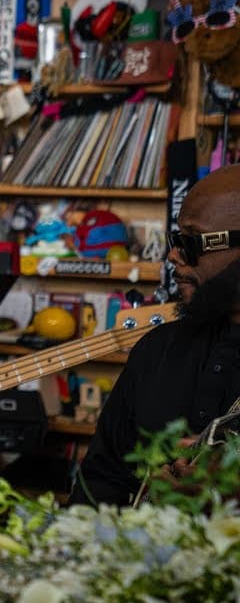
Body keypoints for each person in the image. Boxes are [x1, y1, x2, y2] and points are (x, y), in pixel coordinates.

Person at [74, 165, 240, 506]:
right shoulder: (157, 349)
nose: (174, 255)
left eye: (190, 243)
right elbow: (98, 481)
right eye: (175, 240)